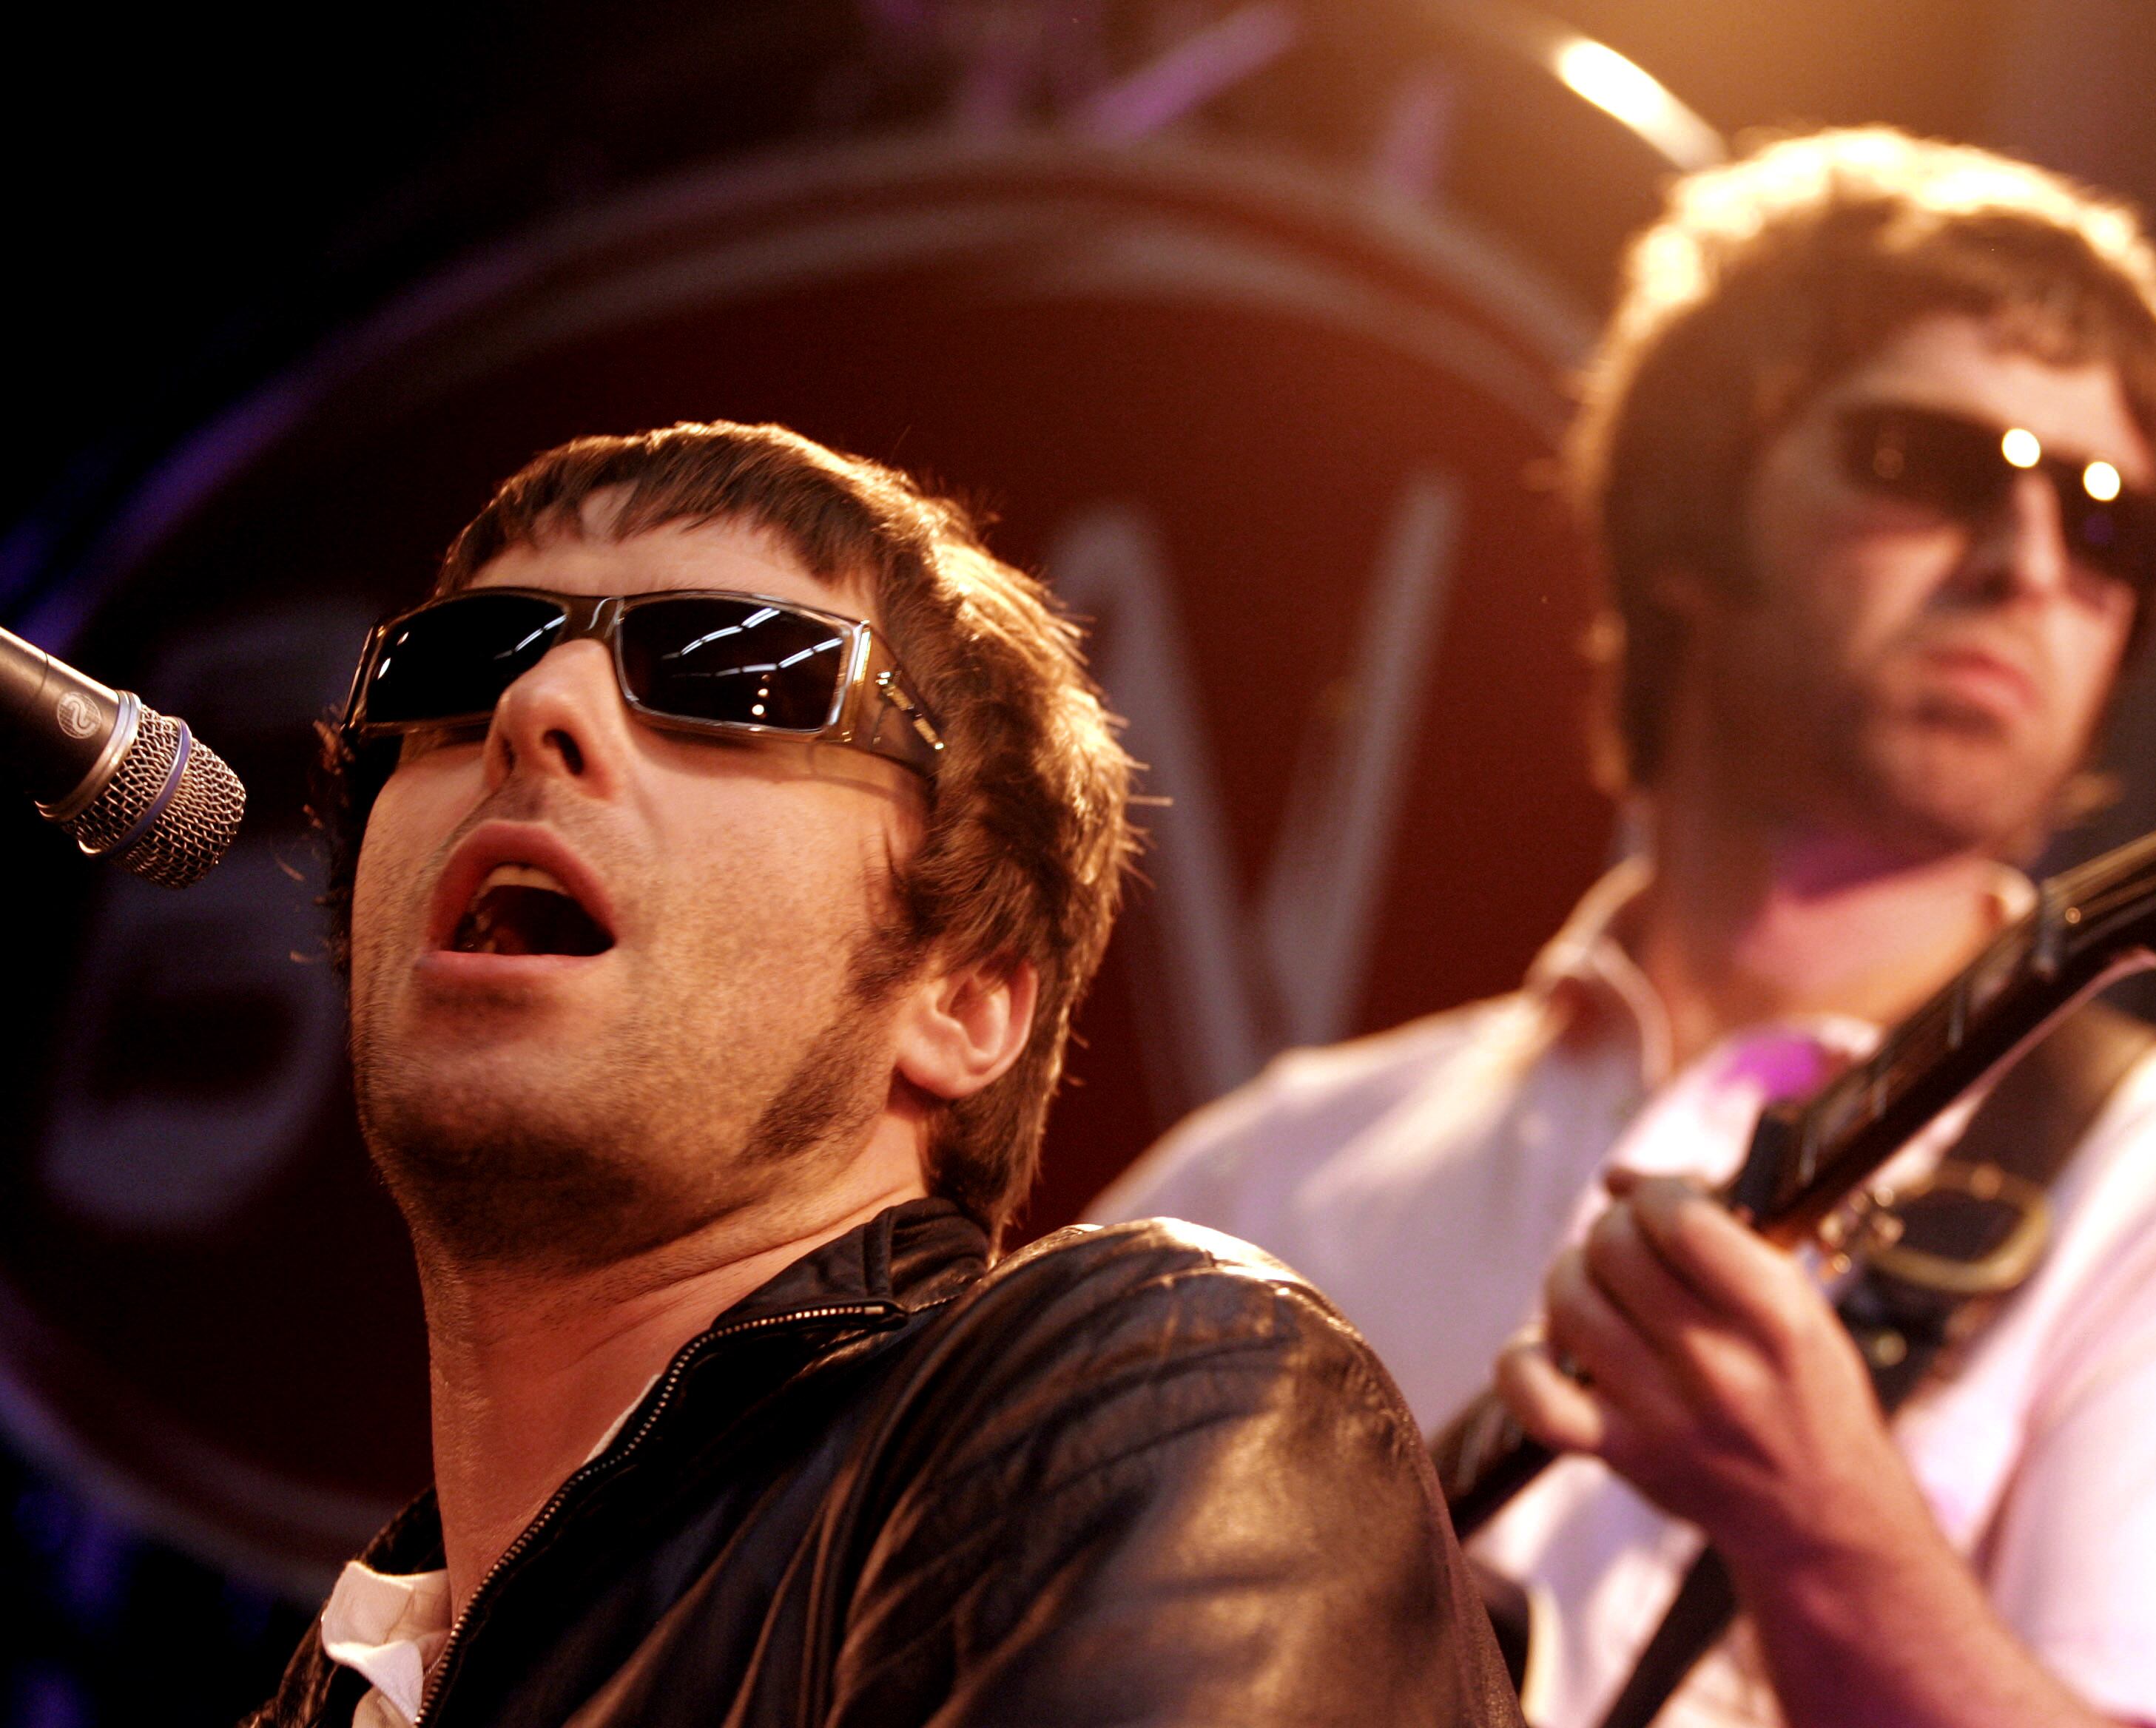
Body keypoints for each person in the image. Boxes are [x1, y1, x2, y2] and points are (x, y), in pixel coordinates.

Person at [1092, 129, 2156, 1728]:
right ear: (1697, 512)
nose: (2030, 563)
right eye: (1933, 464)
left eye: (2109, 524)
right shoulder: (1277, 1174)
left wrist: (1827, 1529)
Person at [249, 422, 1520, 1727]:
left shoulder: (1161, 1400)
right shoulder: (337, 1692)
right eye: (461, 668)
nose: (534, 711)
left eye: (731, 673)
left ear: (961, 997)